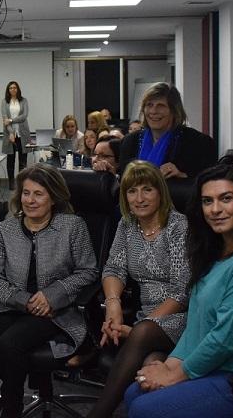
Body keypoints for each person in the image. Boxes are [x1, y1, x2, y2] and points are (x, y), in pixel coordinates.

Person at [125, 164, 233, 418]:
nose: (216, 209)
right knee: (134, 393)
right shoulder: (213, 253)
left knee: (144, 409)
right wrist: (169, 366)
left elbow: (226, 337)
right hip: (220, 369)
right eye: (208, 201)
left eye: (226, 198)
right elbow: (196, 326)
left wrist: (172, 377)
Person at [0, 164, 99, 418]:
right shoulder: (6, 228)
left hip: (55, 310)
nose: (30, 200)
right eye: (26, 193)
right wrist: (24, 301)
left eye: (38, 194)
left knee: (8, 346)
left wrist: (52, 295)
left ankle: (12, 410)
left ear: (53, 198)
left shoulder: (72, 226)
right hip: (11, 305)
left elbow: (88, 271)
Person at [84, 161, 189, 418]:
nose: (139, 198)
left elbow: (182, 291)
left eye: (147, 190)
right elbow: (113, 269)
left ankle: (98, 414)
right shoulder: (127, 225)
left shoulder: (178, 225)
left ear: (160, 192)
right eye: (132, 191)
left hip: (183, 316)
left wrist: (140, 328)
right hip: (146, 320)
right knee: (150, 366)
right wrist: (113, 305)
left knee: (143, 337)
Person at [118, 83, 216, 179]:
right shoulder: (129, 141)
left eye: (161, 105)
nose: (153, 111)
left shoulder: (199, 143)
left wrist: (182, 175)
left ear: (174, 110)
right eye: (149, 105)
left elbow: (209, 182)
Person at [1, 81, 31, 184]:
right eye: (10, 88)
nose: (13, 89)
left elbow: (24, 116)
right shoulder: (4, 102)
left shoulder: (24, 101)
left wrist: (11, 120)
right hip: (10, 134)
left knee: (23, 160)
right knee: (11, 160)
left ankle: (21, 183)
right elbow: (5, 119)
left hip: (23, 133)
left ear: (18, 89)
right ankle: (11, 183)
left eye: (14, 88)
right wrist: (10, 132)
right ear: (8, 90)